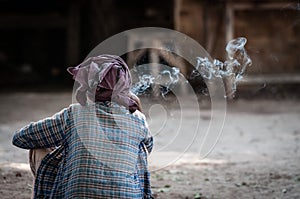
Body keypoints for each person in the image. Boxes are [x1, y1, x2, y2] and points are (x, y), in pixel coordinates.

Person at [12, 54, 154, 199]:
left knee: (38, 146)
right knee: (139, 149)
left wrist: (64, 147)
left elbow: (20, 138)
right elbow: (147, 149)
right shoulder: (139, 119)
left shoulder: (73, 114)